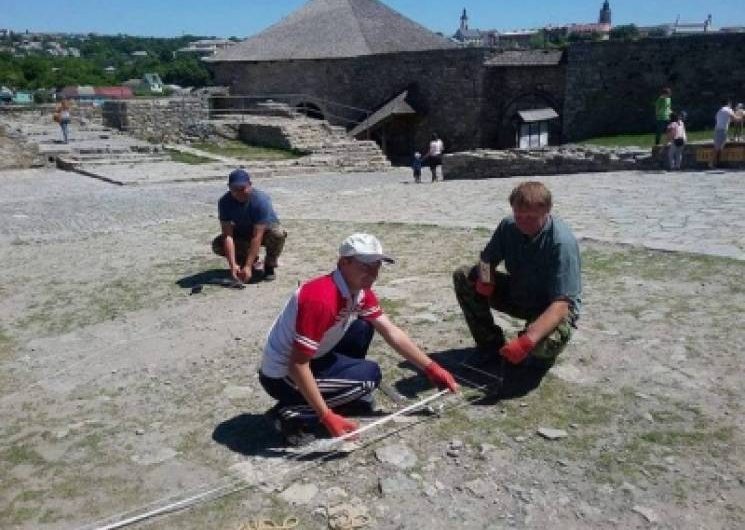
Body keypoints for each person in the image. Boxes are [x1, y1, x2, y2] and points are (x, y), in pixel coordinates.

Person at [259, 233, 458, 445]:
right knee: (369, 378)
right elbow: (297, 363)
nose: (373, 274)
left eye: (377, 266)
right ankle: (290, 412)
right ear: (344, 262)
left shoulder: (358, 290)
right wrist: (326, 416)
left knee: (363, 326)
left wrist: (431, 367)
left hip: (313, 358)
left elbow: (391, 331)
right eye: (366, 266)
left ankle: (341, 393)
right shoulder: (321, 299)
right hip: (281, 376)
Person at [452, 182, 581, 397]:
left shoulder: (561, 243)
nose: (522, 222)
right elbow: (486, 259)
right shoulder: (509, 226)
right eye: (518, 215)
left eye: (530, 217)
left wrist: (526, 341)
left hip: (551, 308)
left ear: (546, 212)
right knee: (465, 276)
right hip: (520, 293)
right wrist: (486, 279)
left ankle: (536, 359)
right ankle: (489, 345)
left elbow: (561, 305)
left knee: (539, 347)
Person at [211, 168, 287, 283]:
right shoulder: (224, 202)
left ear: (250, 185)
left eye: (242, 188)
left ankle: (269, 264)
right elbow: (228, 236)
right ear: (229, 187)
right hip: (243, 232)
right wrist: (233, 265)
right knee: (218, 244)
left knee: (278, 234)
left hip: (265, 232)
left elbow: (257, 237)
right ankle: (247, 263)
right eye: (234, 189)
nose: (239, 193)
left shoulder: (261, 200)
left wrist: (247, 266)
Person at [710, 99, 740, 169]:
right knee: (717, 148)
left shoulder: (719, 111)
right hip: (721, 130)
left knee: (719, 148)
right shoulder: (728, 110)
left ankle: (716, 163)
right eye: (730, 104)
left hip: (718, 130)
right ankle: (711, 163)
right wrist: (742, 116)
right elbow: (735, 119)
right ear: (728, 104)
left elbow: (728, 119)